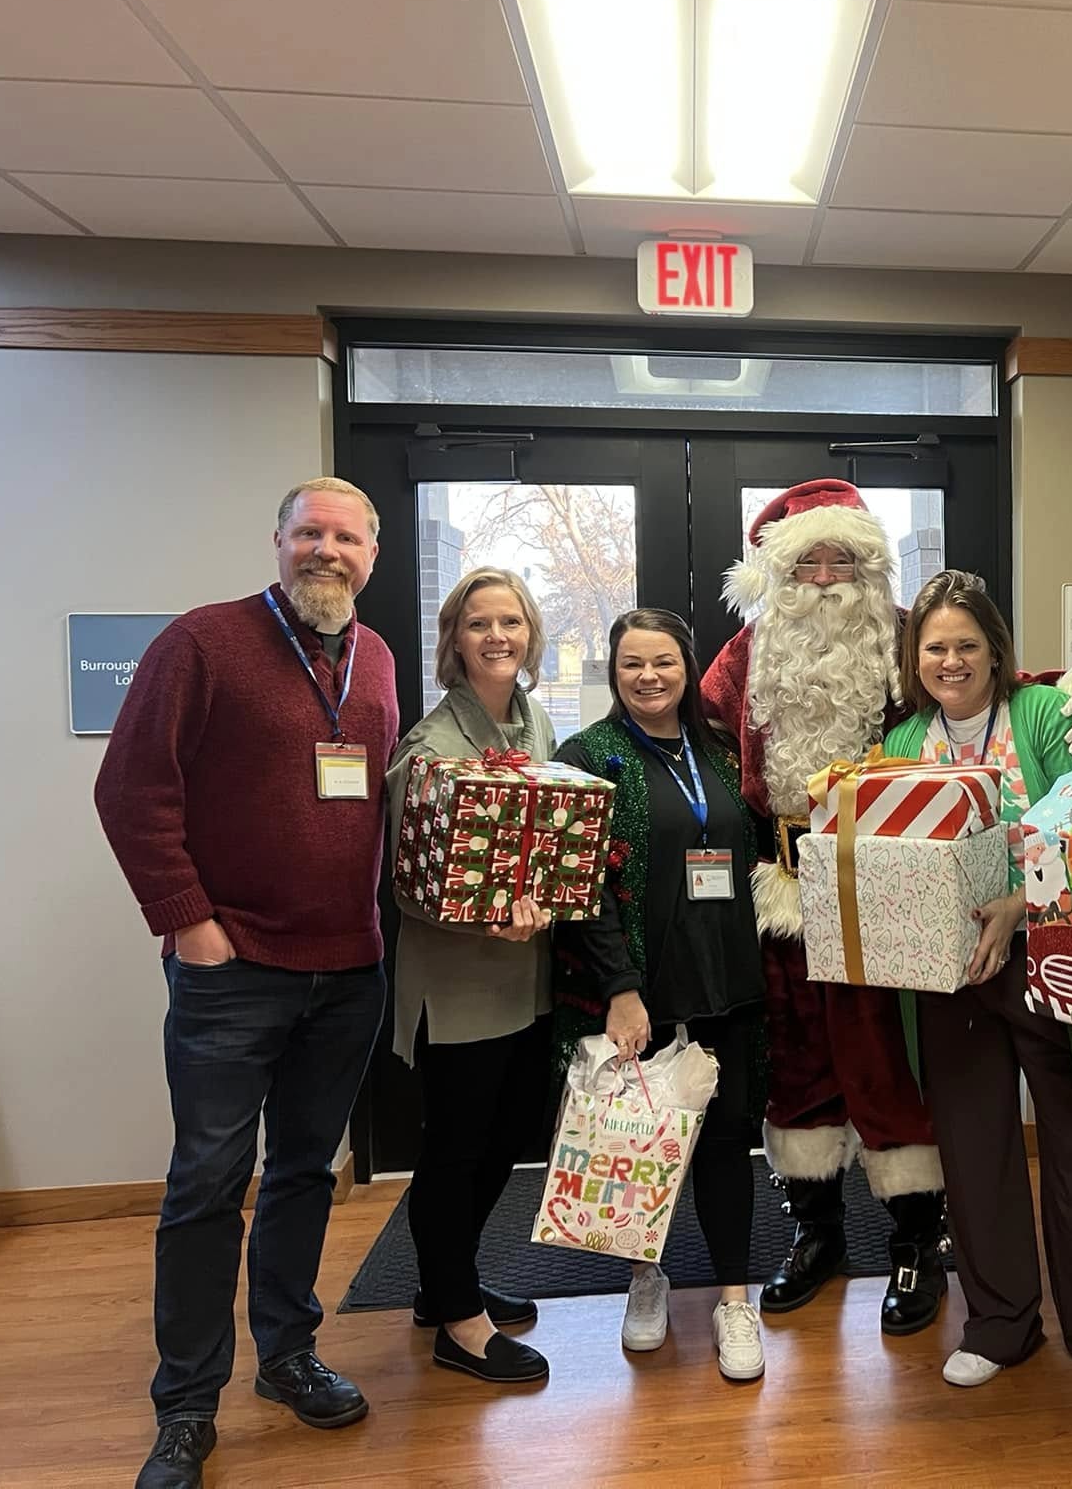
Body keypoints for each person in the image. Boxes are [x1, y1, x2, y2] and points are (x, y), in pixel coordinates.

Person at [700, 479, 1072, 1334]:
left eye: (843, 558)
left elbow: (979, 684)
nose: (825, 577)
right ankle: (814, 1234)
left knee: (890, 1063)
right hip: (784, 891)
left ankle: (913, 1245)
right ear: (776, 571)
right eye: (807, 560)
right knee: (799, 1069)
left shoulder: (898, 638)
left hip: (896, 892)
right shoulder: (742, 660)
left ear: (868, 565)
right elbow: (686, 732)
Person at [94, 478, 397, 1489]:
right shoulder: (202, 642)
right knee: (206, 1187)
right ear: (277, 541)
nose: (327, 550)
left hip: (347, 969)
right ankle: (184, 1406)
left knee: (307, 1173)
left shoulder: (378, 657)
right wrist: (188, 920)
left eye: (345, 537)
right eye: (309, 532)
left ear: (372, 554)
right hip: (235, 975)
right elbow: (131, 788)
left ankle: (286, 1355)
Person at [883, 572, 1072, 1394]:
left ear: (997, 650)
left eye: (968, 644)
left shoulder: (1042, 716)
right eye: (936, 647)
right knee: (975, 1149)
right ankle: (1000, 1323)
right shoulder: (900, 747)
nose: (953, 660)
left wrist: (1019, 907)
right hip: (950, 978)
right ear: (914, 657)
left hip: (1057, 964)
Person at [555, 609, 770, 1381]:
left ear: (687, 668)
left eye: (664, 662)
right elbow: (580, 887)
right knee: (634, 1150)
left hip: (729, 984)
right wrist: (619, 987)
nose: (648, 676)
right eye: (631, 664)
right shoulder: (591, 754)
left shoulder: (720, 749)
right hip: (642, 990)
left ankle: (734, 1300)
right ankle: (645, 1279)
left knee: (724, 1148)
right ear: (613, 673)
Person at [382, 567, 556, 1386]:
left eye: (512, 622)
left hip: (525, 981)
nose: (498, 636)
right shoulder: (428, 749)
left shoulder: (537, 724)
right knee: (454, 1151)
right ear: (454, 639)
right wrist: (482, 914)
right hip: (457, 984)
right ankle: (458, 1320)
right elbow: (410, 882)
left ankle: (440, 1279)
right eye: (480, 623)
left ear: (530, 635)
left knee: (509, 1133)